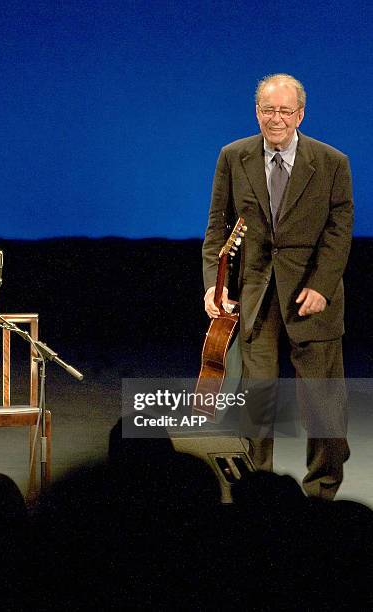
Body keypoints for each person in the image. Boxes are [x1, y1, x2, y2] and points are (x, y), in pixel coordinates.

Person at [202, 74, 353, 500]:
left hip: (312, 296)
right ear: (257, 112)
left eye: (285, 111)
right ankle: (255, 493)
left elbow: (339, 232)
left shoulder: (331, 162)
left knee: (323, 404)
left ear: (300, 114)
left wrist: (322, 285)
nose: (276, 119)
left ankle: (322, 492)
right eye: (269, 110)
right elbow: (217, 227)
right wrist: (214, 285)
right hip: (257, 295)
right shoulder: (234, 157)